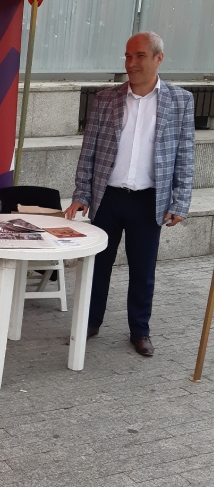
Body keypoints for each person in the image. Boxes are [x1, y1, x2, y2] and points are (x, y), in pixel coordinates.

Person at [65, 32, 195, 356]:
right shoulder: (106, 99)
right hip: (107, 197)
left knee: (142, 270)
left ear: (158, 59)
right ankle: (89, 322)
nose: (131, 63)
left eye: (139, 56)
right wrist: (82, 192)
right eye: (127, 56)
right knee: (98, 264)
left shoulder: (180, 101)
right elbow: (89, 149)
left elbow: (185, 154)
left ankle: (140, 330)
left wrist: (180, 201)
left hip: (149, 200)